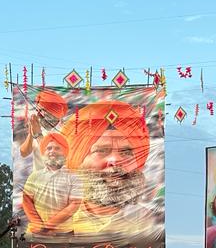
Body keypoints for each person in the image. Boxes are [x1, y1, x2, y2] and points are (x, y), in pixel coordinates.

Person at [63, 101, 163, 239]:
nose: (115, 160)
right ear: (78, 160)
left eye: (126, 152)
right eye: (102, 151)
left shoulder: (149, 223)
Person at [22, 133, 83, 236]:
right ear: (44, 152)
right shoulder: (35, 176)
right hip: (37, 233)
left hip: (64, 234)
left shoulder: (73, 177)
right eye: (49, 148)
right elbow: (27, 201)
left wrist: (46, 227)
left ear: (64, 152)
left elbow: (74, 205)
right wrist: (39, 226)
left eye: (57, 148)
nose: (52, 151)